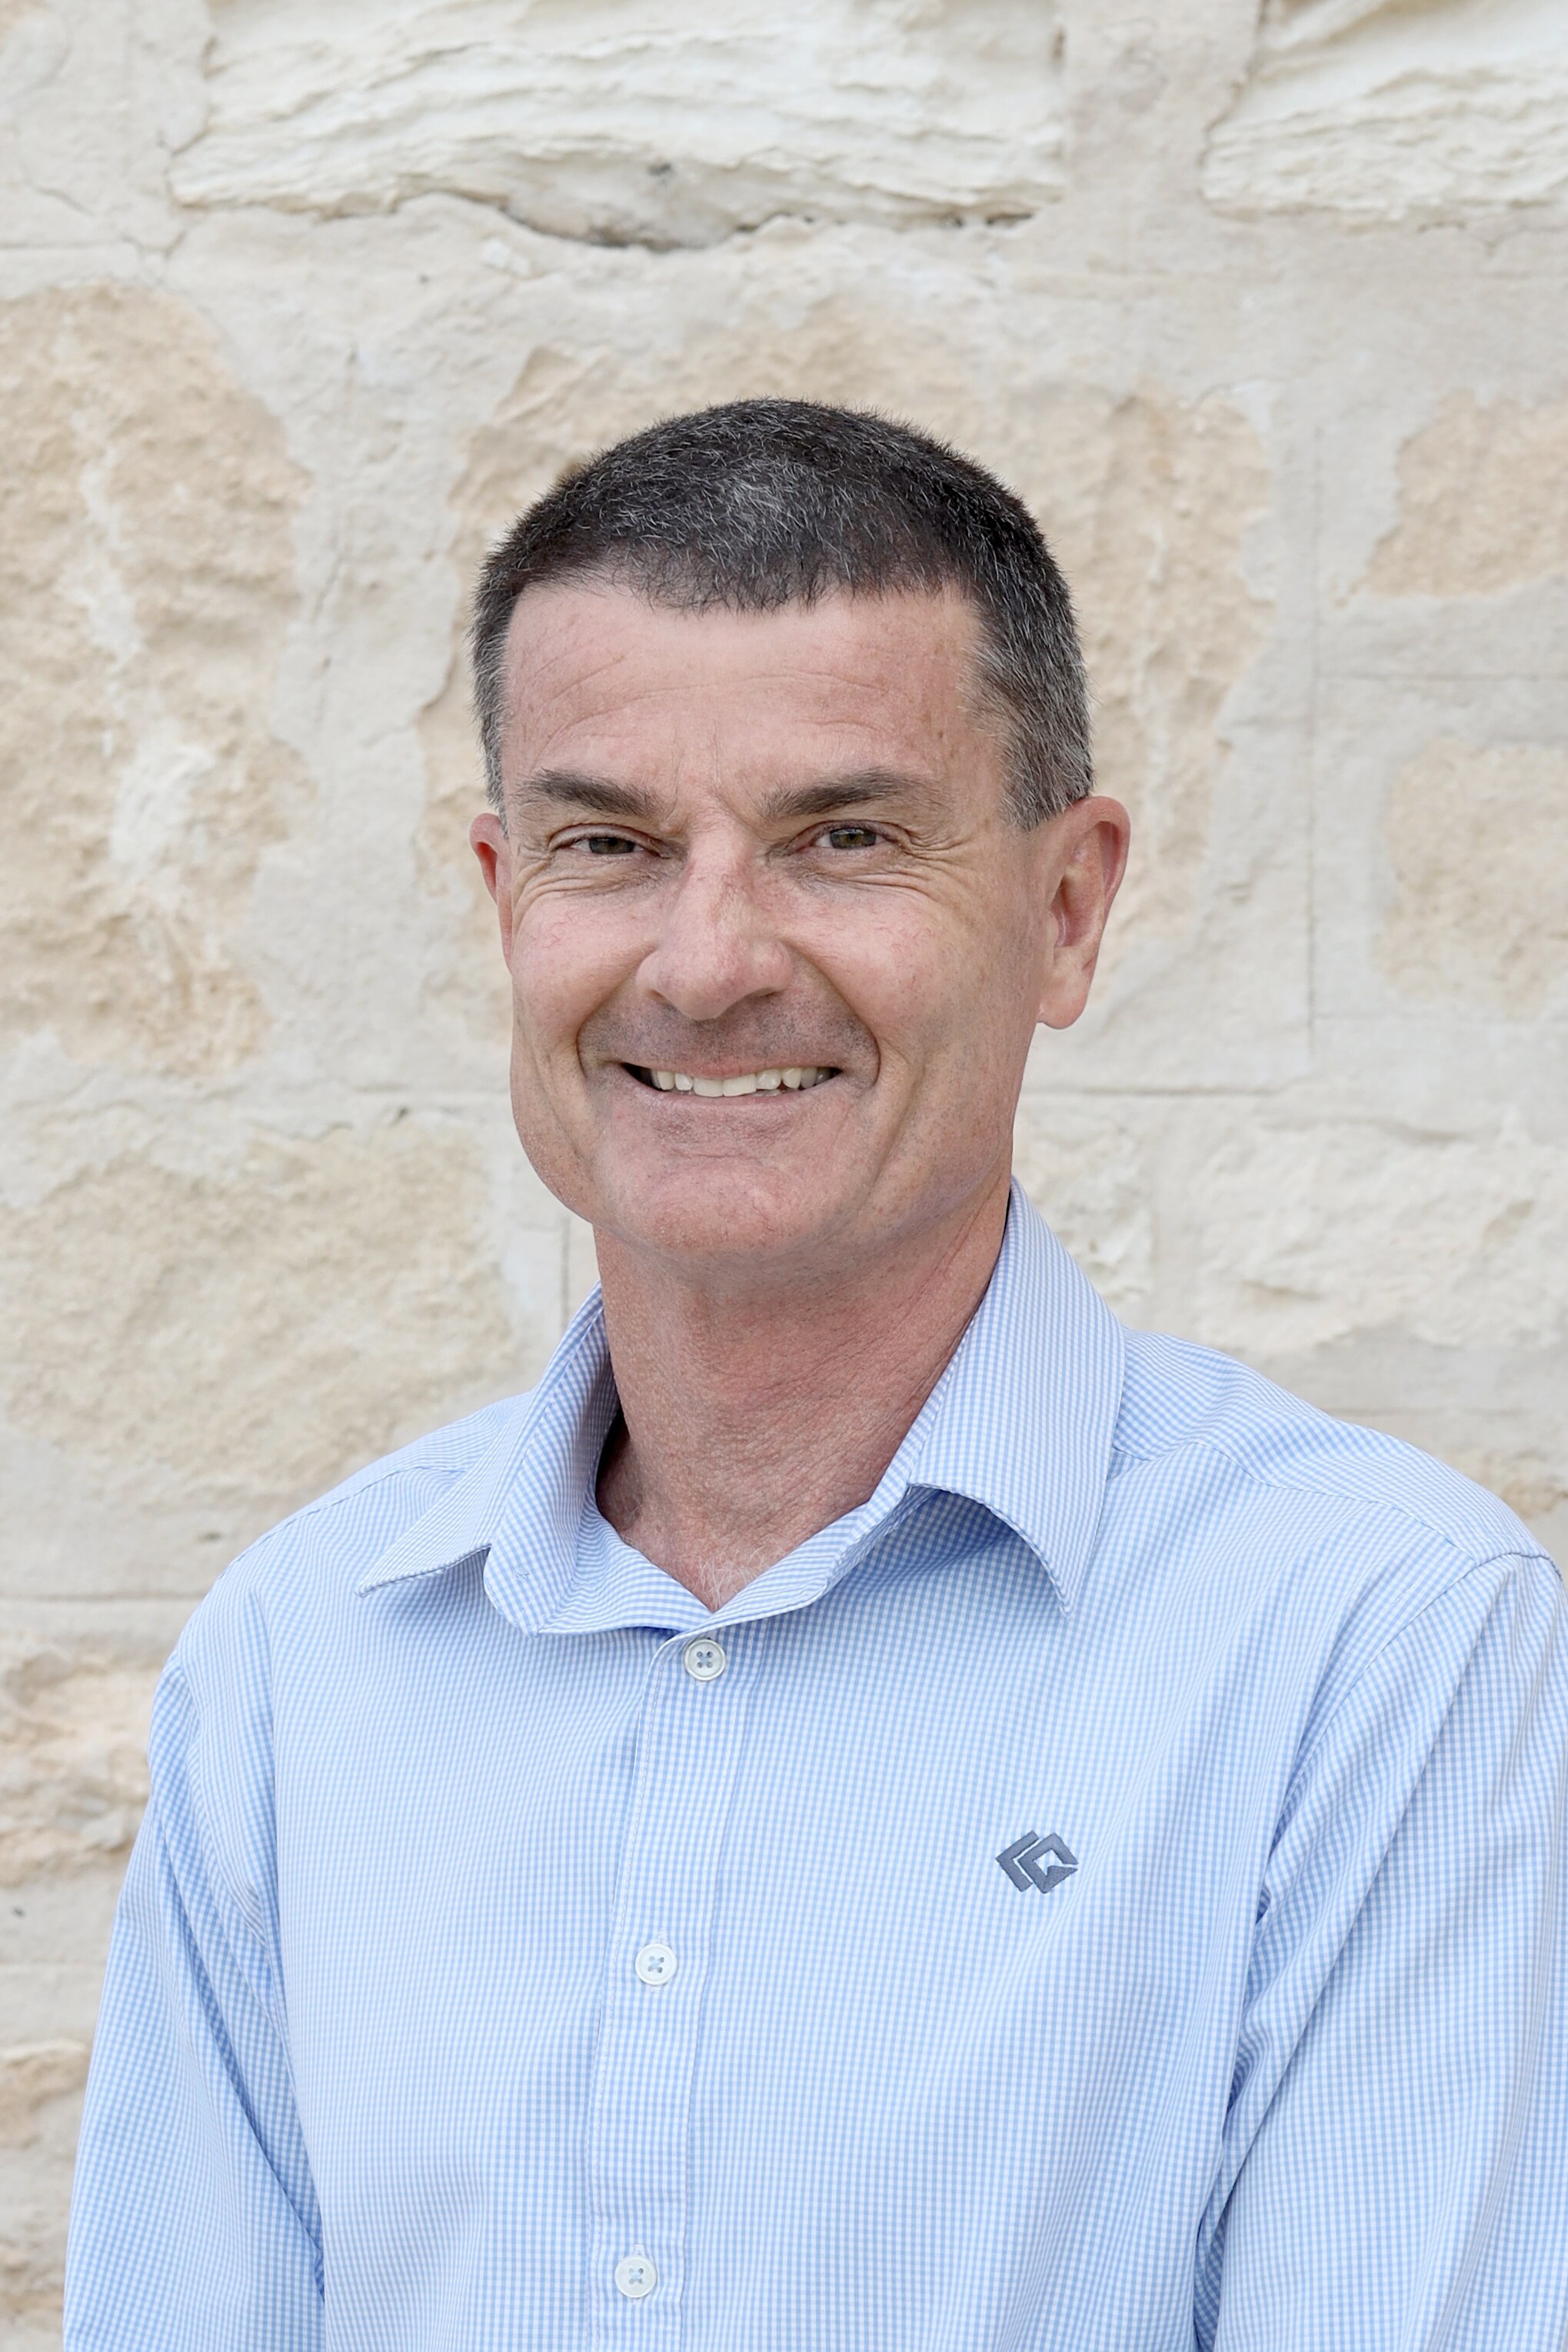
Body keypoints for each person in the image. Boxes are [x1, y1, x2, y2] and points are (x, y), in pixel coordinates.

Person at [65, 401, 1566, 2350]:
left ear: (1066, 907)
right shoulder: (293, 1669)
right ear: (503, 895)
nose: (705, 959)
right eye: (610, 843)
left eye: (840, 837)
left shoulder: (1373, 1645)